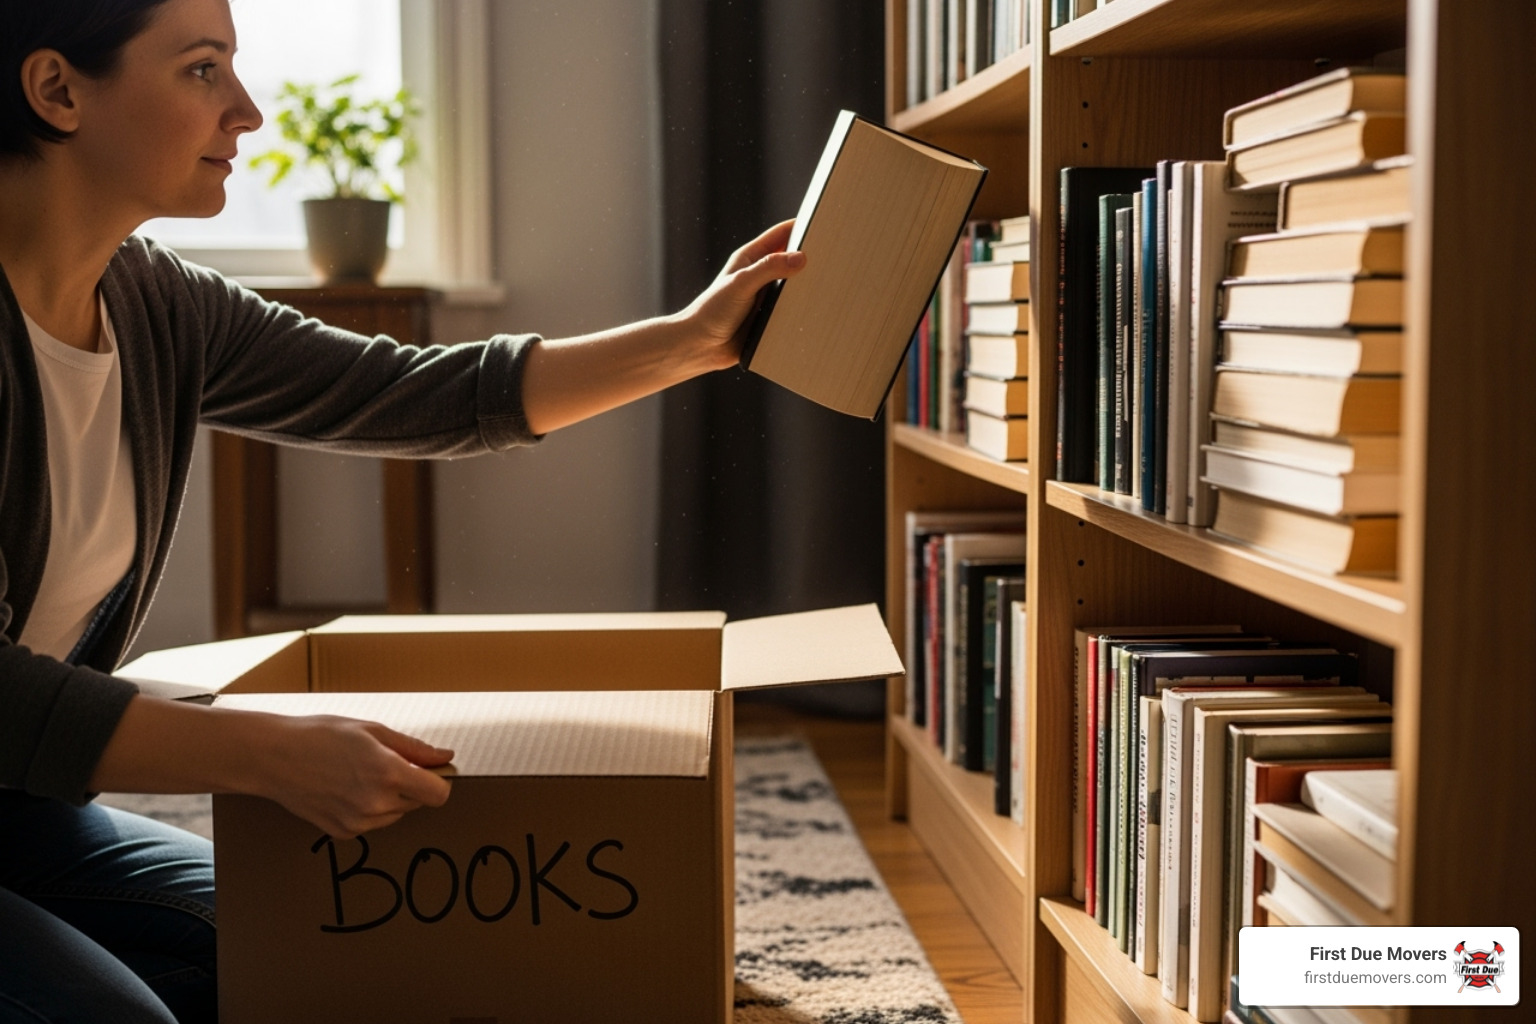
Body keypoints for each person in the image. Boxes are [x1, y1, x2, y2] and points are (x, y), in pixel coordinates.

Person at [0, 0, 805, 1020]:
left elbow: (416, 393)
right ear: (58, 90)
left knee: (324, 957)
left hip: (20, 810)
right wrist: (270, 752)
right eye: (203, 71)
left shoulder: (157, 304)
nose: (246, 110)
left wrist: (695, 341)